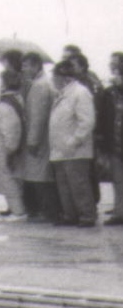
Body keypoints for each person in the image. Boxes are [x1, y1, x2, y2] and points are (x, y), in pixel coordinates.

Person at [49, 62, 98, 227]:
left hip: (75, 150)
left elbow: (86, 121)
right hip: (60, 149)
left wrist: (74, 140)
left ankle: (87, 215)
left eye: (55, 77)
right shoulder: (62, 94)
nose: (53, 80)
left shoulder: (80, 93)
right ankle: (70, 214)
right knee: (65, 186)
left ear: (64, 77)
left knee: (78, 184)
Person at [20, 52, 59, 222]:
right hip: (45, 138)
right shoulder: (41, 83)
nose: (23, 69)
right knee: (42, 175)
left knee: (40, 177)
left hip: (40, 139)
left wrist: (32, 141)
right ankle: (49, 211)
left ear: (36, 66)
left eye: (26, 65)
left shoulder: (39, 86)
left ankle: (48, 211)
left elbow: (38, 115)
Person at [0, 70, 29, 220]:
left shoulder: (6, 105)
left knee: (9, 180)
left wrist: (10, 150)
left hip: (5, 149)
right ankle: (16, 209)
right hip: (13, 148)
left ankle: (17, 211)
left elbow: (10, 130)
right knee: (13, 180)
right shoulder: (17, 100)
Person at [102, 60, 123, 226]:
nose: (116, 77)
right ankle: (119, 212)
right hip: (115, 143)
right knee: (117, 180)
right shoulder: (109, 94)